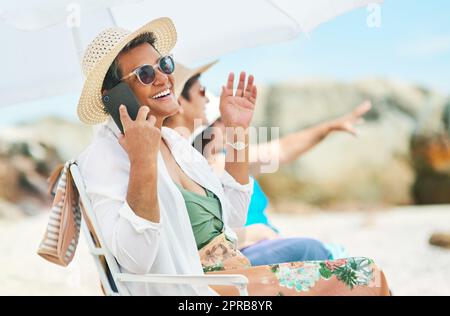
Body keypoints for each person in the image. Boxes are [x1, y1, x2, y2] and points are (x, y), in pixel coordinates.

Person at [76, 19, 389, 296]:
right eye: (145, 73)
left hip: (235, 275)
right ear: (114, 94)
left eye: (165, 65)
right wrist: (142, 162)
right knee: (364, 276)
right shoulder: (105, 159)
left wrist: (238, 131)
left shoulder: (173, 142)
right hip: (198, 292)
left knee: (363, 272)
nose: (164, 78)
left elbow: (233, 217)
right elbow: (135, 260)